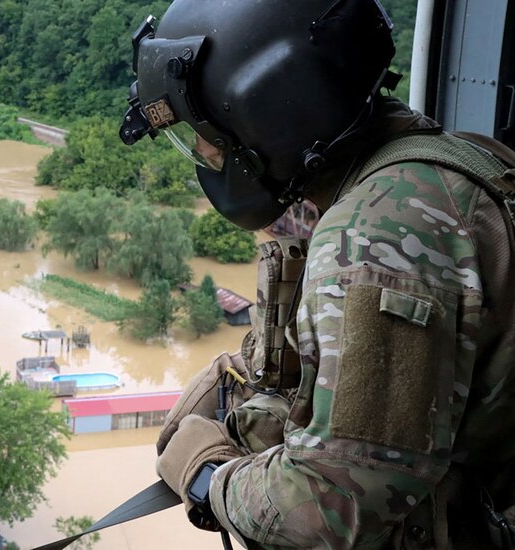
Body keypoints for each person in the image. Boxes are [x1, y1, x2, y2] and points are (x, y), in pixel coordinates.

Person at [119, 0, 515, 547]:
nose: (206, 153)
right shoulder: (450, 164)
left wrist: (208, 477)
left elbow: (329, 507)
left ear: (270, 110)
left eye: (207, 133)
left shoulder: (377, 232)